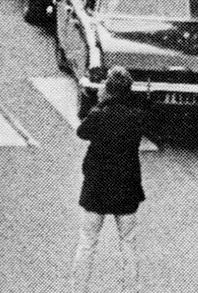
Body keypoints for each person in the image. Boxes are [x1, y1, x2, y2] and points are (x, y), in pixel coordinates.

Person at [72, 67, 144, 293]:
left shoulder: (99, 115)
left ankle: (79, 289)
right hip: (126, 187)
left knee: (87, 242)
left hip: (97, 186)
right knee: (128, 243)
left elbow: (81, 132)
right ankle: (130, 289)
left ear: (108, 89)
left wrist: (100, 103)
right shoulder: (135, 117)